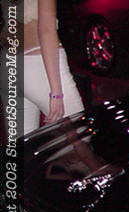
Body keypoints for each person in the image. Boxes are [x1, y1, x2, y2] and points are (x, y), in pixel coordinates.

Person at [3, 0, 84, 136]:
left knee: (24, 143)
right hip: (38, 63)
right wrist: (56, 93)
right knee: (79, 137)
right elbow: (46, 29)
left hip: (9, 63)